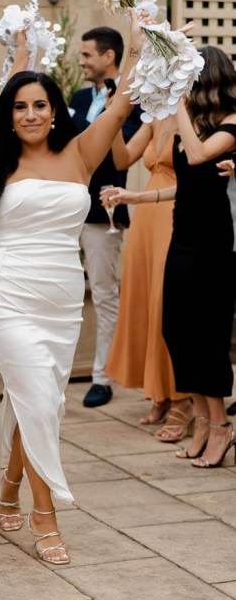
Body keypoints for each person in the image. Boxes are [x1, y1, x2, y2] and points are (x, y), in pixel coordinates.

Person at [0, 14, 145, 565]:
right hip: (7, 292)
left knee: (41, 401)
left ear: (56, 112)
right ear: (10, 113)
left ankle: (8, 483)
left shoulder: (80, 154)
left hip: (61, 296)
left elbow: (124, 102)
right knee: (37, 398)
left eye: (40, 105)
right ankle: (44, 514)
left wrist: (141, 43)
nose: (30, 114)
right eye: (20, 106)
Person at [104, 46, 236, 469]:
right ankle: (201, 417)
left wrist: (177, 106)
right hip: (183, 234)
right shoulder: (192, 124)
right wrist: (137, 196)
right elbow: (187, 185)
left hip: (213, 244)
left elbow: (198, 157)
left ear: (206, 81)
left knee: (207, 335)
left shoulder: (231, 125)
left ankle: (219, 427)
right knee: (177, 329)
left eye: (188, 80)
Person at [105, 116, 192, 440]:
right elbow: (122, 158)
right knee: (145, 300)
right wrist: (112, 119)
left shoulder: (192, 113)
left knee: (165, 302)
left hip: (174, 213)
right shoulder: (156, 115)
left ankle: (184, 399)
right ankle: (162, 393)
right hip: (146, 220)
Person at [71, 27, 141, 408]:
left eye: (87, 55)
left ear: (109, 57)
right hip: (66, 208)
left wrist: (116, 111)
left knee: (103, 292)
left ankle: (102, 376)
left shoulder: (133, 101)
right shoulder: (79, 97)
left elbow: (119, 158)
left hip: (104, 211)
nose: (81, 62)